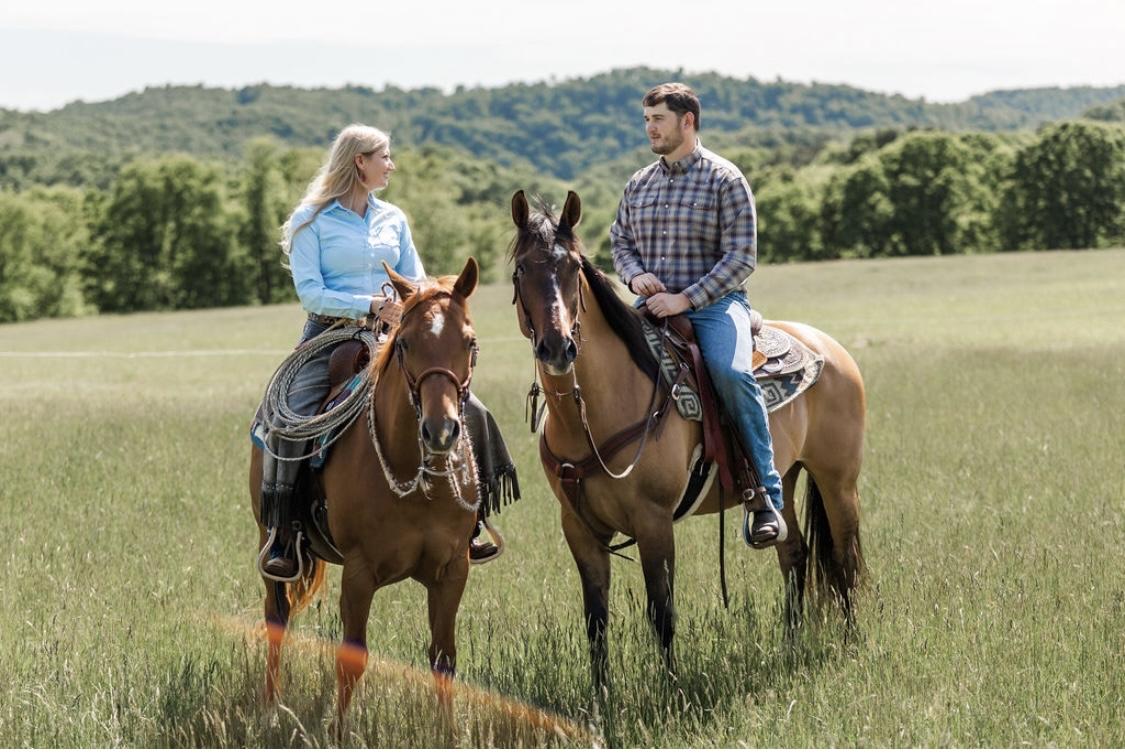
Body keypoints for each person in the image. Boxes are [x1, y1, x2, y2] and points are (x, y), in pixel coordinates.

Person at [256, 124, 509, 579]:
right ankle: (284, 534)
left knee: (473, 410)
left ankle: (472, 522)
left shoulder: (394, 218)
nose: (391, 165)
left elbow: (418, 279)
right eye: (384, 157)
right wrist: (369, 304)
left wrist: (424, 305)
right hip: (329, 336)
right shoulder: (309, 221)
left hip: (394, 338)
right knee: (287, 419)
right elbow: (311, 293)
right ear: (360, 161)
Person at [610, 83, 787, 547]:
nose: (649, 128)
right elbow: (620, 243)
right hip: (650, 304)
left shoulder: (726, 180)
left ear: (687, 122)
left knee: (730, 374)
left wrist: (684, 300)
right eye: (646, 119)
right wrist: (634, 278)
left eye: (658, 119)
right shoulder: (639, 183)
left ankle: (764, 498)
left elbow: (742, 258)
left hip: (715, 306)